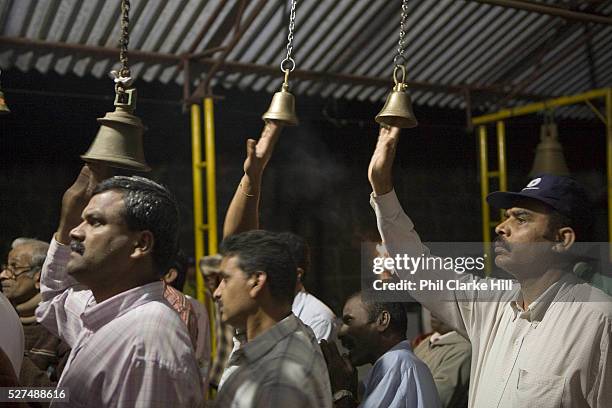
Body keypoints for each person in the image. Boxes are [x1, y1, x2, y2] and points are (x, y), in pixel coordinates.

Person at [367, 126, 612, 407]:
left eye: (521, 219)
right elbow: (419, 269)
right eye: (505, 217)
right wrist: (382, 188)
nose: (501, 227)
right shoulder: (492, 303)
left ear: (562, 240)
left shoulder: (598, 320)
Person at [35, 166, 203, 407]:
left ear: (141, 244)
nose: (75, 231)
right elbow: (54, 299)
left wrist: (16, 386)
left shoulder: (147, 345)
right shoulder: (105, 313)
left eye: (95, 222)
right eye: (80, 221)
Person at [223, 121, 337, 341]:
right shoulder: (260, 311)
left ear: (296, 274)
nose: (218, 292)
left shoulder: (317, 319)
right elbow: (235, 246)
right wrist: (252, 179)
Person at [213, 229, 332, 407]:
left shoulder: (278, 382)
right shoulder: (271, 339)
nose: (217, 293)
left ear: (256, 281)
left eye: (226, 279)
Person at [320, 292, 440, 408]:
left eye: (349, 321)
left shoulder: (397, 362)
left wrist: (342, 392)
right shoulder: (399, 363)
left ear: (382, 320)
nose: (341, 333)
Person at [1, 238, 70, 387]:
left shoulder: (63, 333)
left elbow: (62, 398)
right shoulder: (4, 322)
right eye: (5, 267)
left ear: (40, 276)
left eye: (14, 267)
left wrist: (13, 356)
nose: (3, 275)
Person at [162, 253, 211, 393]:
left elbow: (201, 357)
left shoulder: (189, 306)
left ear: (170, 275)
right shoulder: (197, 306)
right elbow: (203, 358)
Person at [414, 313, 470, 408]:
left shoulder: (463, 349)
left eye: (443, 304)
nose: (433, 312)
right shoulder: (426, 342)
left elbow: (433, 399)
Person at [199, 254, 235, 392]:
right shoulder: (216, 295)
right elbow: (204, 263)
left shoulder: (229, 294)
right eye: (205, 279)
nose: (208, 283)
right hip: (221, 365)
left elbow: (211, 263)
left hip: (230, 366)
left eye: (210, 278)